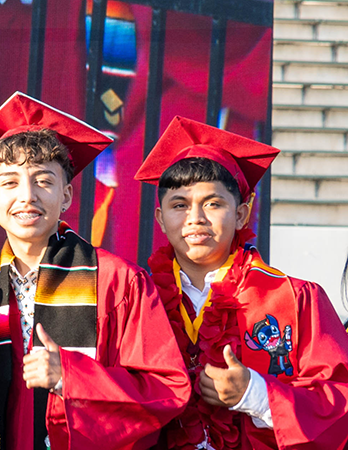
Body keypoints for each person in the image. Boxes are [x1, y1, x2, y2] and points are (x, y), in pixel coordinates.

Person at [0, 92, 189, 449]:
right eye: (9, 183)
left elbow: (167, 388)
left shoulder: (118, 281)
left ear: (66, 196)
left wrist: (72, 377)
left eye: (43, 181)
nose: (27, 196)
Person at [136, 117, 348, 449]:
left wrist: (257, 395)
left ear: (241, 215)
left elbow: (340, 404)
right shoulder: (135, 298)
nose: (196, 218)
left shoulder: (295, 298)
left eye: (213, 203)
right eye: (180, 205)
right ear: (161, 219)